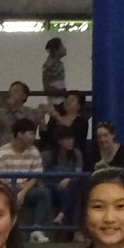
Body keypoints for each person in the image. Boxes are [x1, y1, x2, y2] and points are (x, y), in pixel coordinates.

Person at [0, 117, 51, 227]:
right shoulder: (1, 153)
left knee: (44, 193)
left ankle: (37, 228)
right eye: (31, 134)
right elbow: (2, 179)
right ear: (19, 134)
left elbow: (36, 174)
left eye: (34, 134)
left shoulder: (34, 151)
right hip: (6, 189)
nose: (33, 137)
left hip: (27, 189)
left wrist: (23, 191)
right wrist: (18, 187)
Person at [42, 90, 90, 228]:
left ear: (79, 105)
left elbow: (78, 170)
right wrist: (42, 116)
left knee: (73, 188)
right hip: (53, 179)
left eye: (72, 100)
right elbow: (45, 134)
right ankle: (71, 228)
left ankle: (63, 218)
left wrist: (56, 115)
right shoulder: (49, 154)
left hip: (70, 176)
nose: (67, 101)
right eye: (67, 99)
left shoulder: (81, 122)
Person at [40, 36, 68, 100]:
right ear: (56, 50)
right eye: (62, 46)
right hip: (56, 98)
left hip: (60, 95)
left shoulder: (59, 63)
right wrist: (58, 92)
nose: (65, 48)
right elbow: (46, 85)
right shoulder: (50, 65)